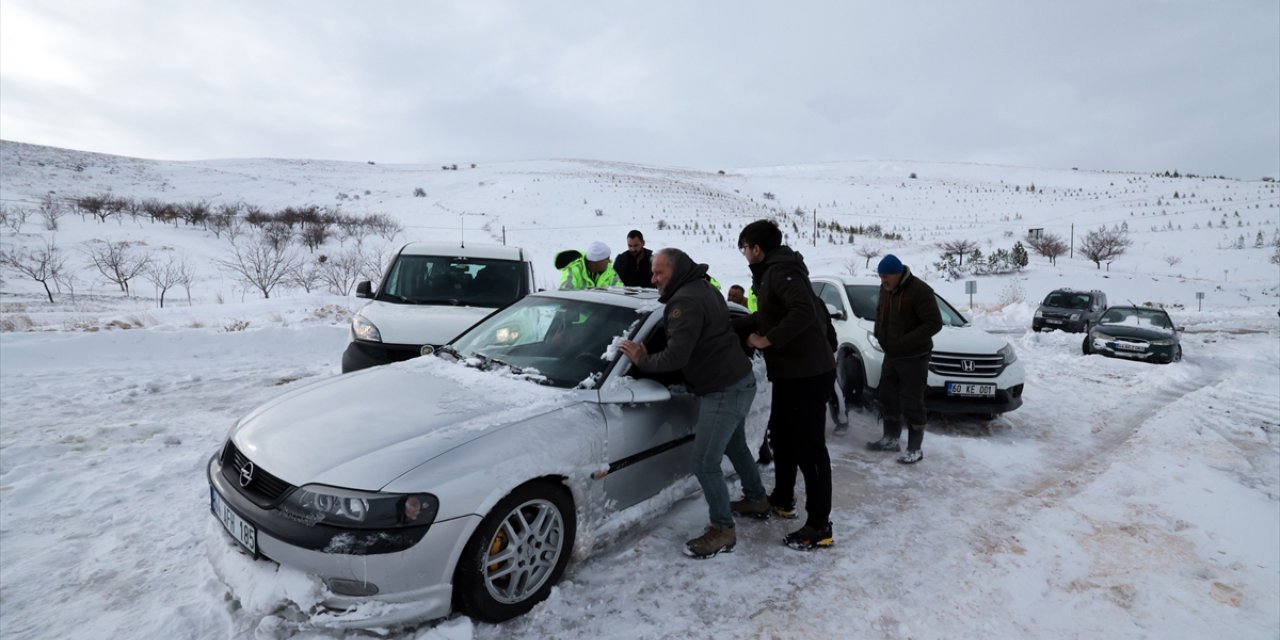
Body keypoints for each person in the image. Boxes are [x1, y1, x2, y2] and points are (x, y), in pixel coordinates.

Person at [619, 248, 766, 559]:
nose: (653, 278)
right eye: (653, 272)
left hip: (724, 389)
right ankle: (756, 498)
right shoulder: (704, 286)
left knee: (704, 463)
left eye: (659, 273)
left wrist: (642, 360)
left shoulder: (683, 302)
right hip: (737, 380)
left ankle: (722, 530)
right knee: (735, 446)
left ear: (676, 270)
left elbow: (676, 356)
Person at [729, 219, 837, 551]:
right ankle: (782, 499)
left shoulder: (781, 271)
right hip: (792, 372)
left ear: (757, 248)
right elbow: (769, 314)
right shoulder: (772, 271)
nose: (744, 254)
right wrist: (730, 322)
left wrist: (768, 340)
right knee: (783, 436)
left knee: (809, 447)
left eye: (745, 248)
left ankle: (819, 526)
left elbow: (802, 311)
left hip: (808, 373)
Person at [865, 254, 943, 464]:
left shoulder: (920, 291)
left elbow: (934, 323)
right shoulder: (886, 289)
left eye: (886, 277)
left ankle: (915, 448)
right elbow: (880, 312)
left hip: (914, 356)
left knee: (912, 401)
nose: (883, 281)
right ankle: (891, 439)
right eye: (881, 277)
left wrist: (904, 341)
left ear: (899, 274)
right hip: (892, 354)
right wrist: (879, 334)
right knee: (887, 395)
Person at [556, 241, 621, 289]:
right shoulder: (573, 271)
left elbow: (620, 292)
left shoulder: (610, 272)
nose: (610, 261)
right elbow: (566, 294)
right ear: (597, 261)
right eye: (607, 259)